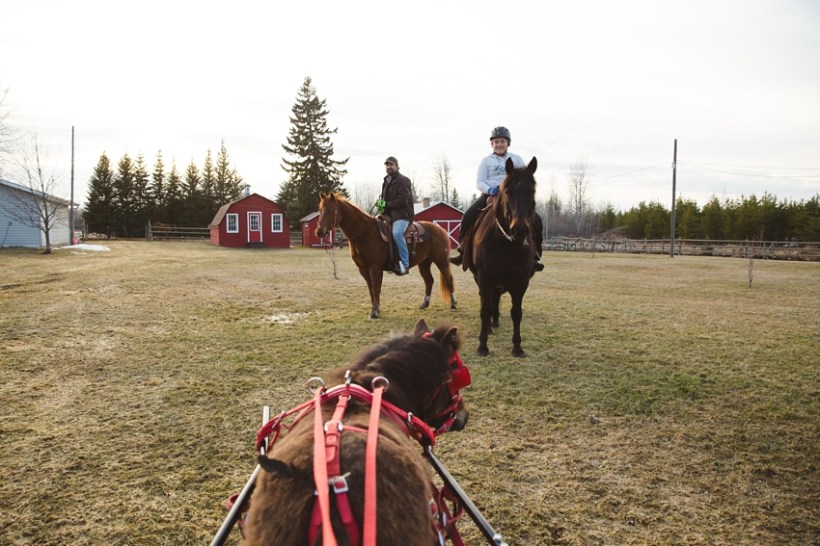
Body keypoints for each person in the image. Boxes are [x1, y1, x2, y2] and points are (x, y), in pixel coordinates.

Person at [449, 126, 544, 272]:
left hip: (512, 197)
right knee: (468, 215)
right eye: (496, 141)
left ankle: (535, 253)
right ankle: (462, 251)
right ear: (492, 144)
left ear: (508, 143)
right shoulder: (486, 161)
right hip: (490, 194)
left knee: (536, 219)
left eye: (502, 141)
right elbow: (479, 182)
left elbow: (524, 178)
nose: (499, 144)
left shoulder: (517, 159)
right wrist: (490, 189)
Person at [378, 156, 414, 275]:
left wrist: (386, 204)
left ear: (397, 166)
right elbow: (383, 199)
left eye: (391, 165)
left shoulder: (404, 180)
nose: (389, 167)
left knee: (396, 233)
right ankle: (390, 261)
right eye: (387, 165)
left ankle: (405, 264)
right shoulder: (386, 181)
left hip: (402, 215)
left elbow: (403, 200)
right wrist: (380, 206)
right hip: (389, 215)